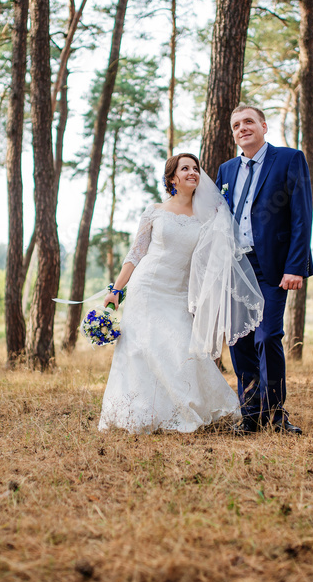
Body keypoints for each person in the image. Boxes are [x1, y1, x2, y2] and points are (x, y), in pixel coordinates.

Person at [98, 153, 264, 434]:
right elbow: (135, 253)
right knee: (140, 349)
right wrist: (116, 289)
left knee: (179, 347)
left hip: (178, 292)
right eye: (184, 168)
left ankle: (183, 409)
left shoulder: (209, 216)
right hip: (146, 287)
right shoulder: (155, 211)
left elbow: (216, 258)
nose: (192, 172)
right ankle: (139, 412)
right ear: (172, 178)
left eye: (195, 168)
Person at [215, 104, 313, 434]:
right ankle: (251, 415)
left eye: (248, 122)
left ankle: (275, 414)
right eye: (236, 125)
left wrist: (296, 266)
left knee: (268, 335)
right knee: (240, 340)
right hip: (235, 267)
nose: (242, 128)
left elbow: (301, 216)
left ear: (263, 126)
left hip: (272, 266)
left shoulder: (289, 159)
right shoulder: (226, 170)